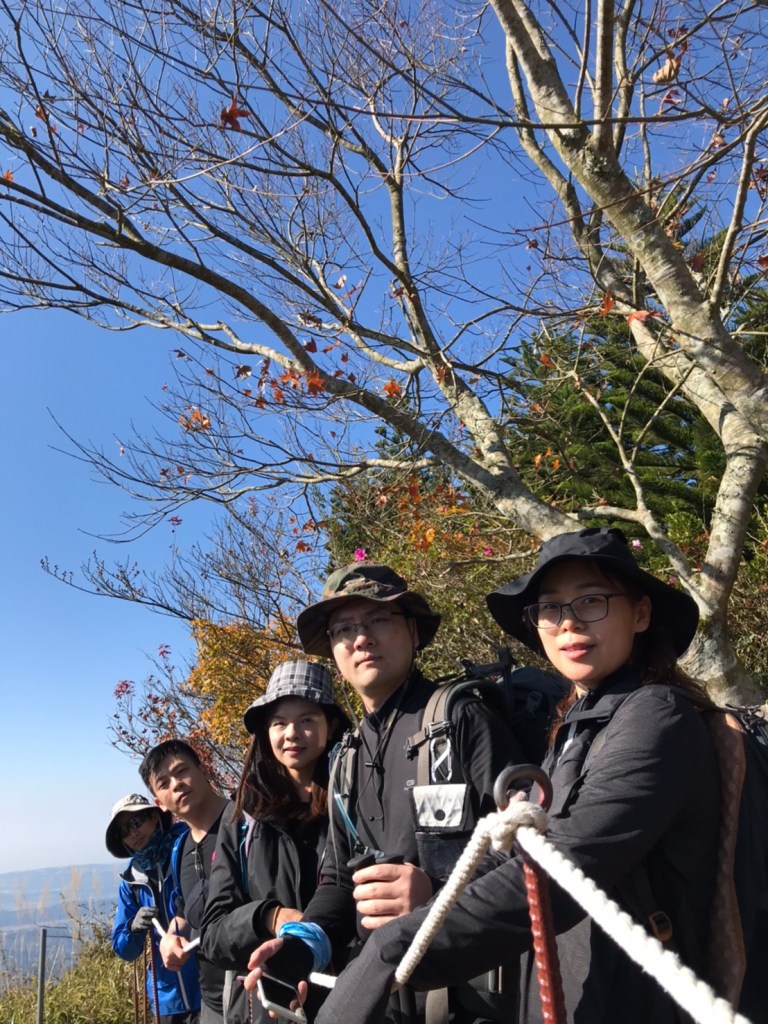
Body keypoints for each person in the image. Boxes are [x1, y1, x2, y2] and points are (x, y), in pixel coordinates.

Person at [274, 528, 721, 1024]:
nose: (568, 622)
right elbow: (508, 853)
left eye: (591, 601)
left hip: (526, 997)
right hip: (467, 991)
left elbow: (563, 864)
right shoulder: (574, 729)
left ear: (640, 613)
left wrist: (414, 920)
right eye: (550, 608)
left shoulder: (651, 717)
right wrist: (303, 944)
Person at [245, 562, 525, 1024]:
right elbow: (340, 882)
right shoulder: (347, 759)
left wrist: (437, 892)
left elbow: (529, 850)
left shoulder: (461, 721)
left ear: (412, 631)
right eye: (344, 628)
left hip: (473, 999)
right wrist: (300, 946)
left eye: (378, 619)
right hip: (385, 997)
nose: (361, 638)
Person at [200, 660, 350, 1023]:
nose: (292, 734)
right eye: (279, 723)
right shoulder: (244, 815)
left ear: (331, 726)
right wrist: (268, 916)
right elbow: (212, 935)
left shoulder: (355, 800)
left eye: (307, 720)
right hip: (267, 1005)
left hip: (348, 997)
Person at [140, 740, 230, 1024]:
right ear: (159, 803)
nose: (176, 784)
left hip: (260, 992)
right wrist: (171, 936)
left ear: (202, 769)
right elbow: (185, 911)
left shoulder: (245, 825)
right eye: (163, 783)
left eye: (182, 771)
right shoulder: (181, 850)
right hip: (212, 1001)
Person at [107, 793, 201, 1024]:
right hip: (166, 999)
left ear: (155, 817)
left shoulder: (189, 849)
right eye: (124, 831)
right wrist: (133, 928)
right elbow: (124, 950)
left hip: (206, 984)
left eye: (136, 822)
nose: (132, 833)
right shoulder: (131, 881)